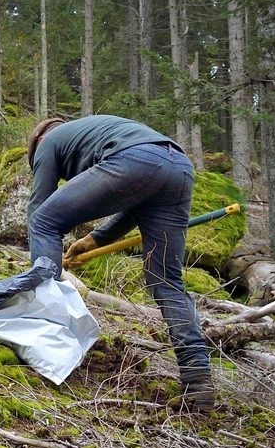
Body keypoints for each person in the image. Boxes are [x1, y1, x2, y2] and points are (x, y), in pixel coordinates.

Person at [26, 114, 213, 411]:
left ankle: (43, 328)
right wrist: (95, 239)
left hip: (135, 160)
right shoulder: (95, 132)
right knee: (166, 281)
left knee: (43, 221)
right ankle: (198, 379)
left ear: (38, 142)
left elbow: (41, 206)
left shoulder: (47, 143)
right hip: (178, 166)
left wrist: (36, 268)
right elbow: (137, 196)